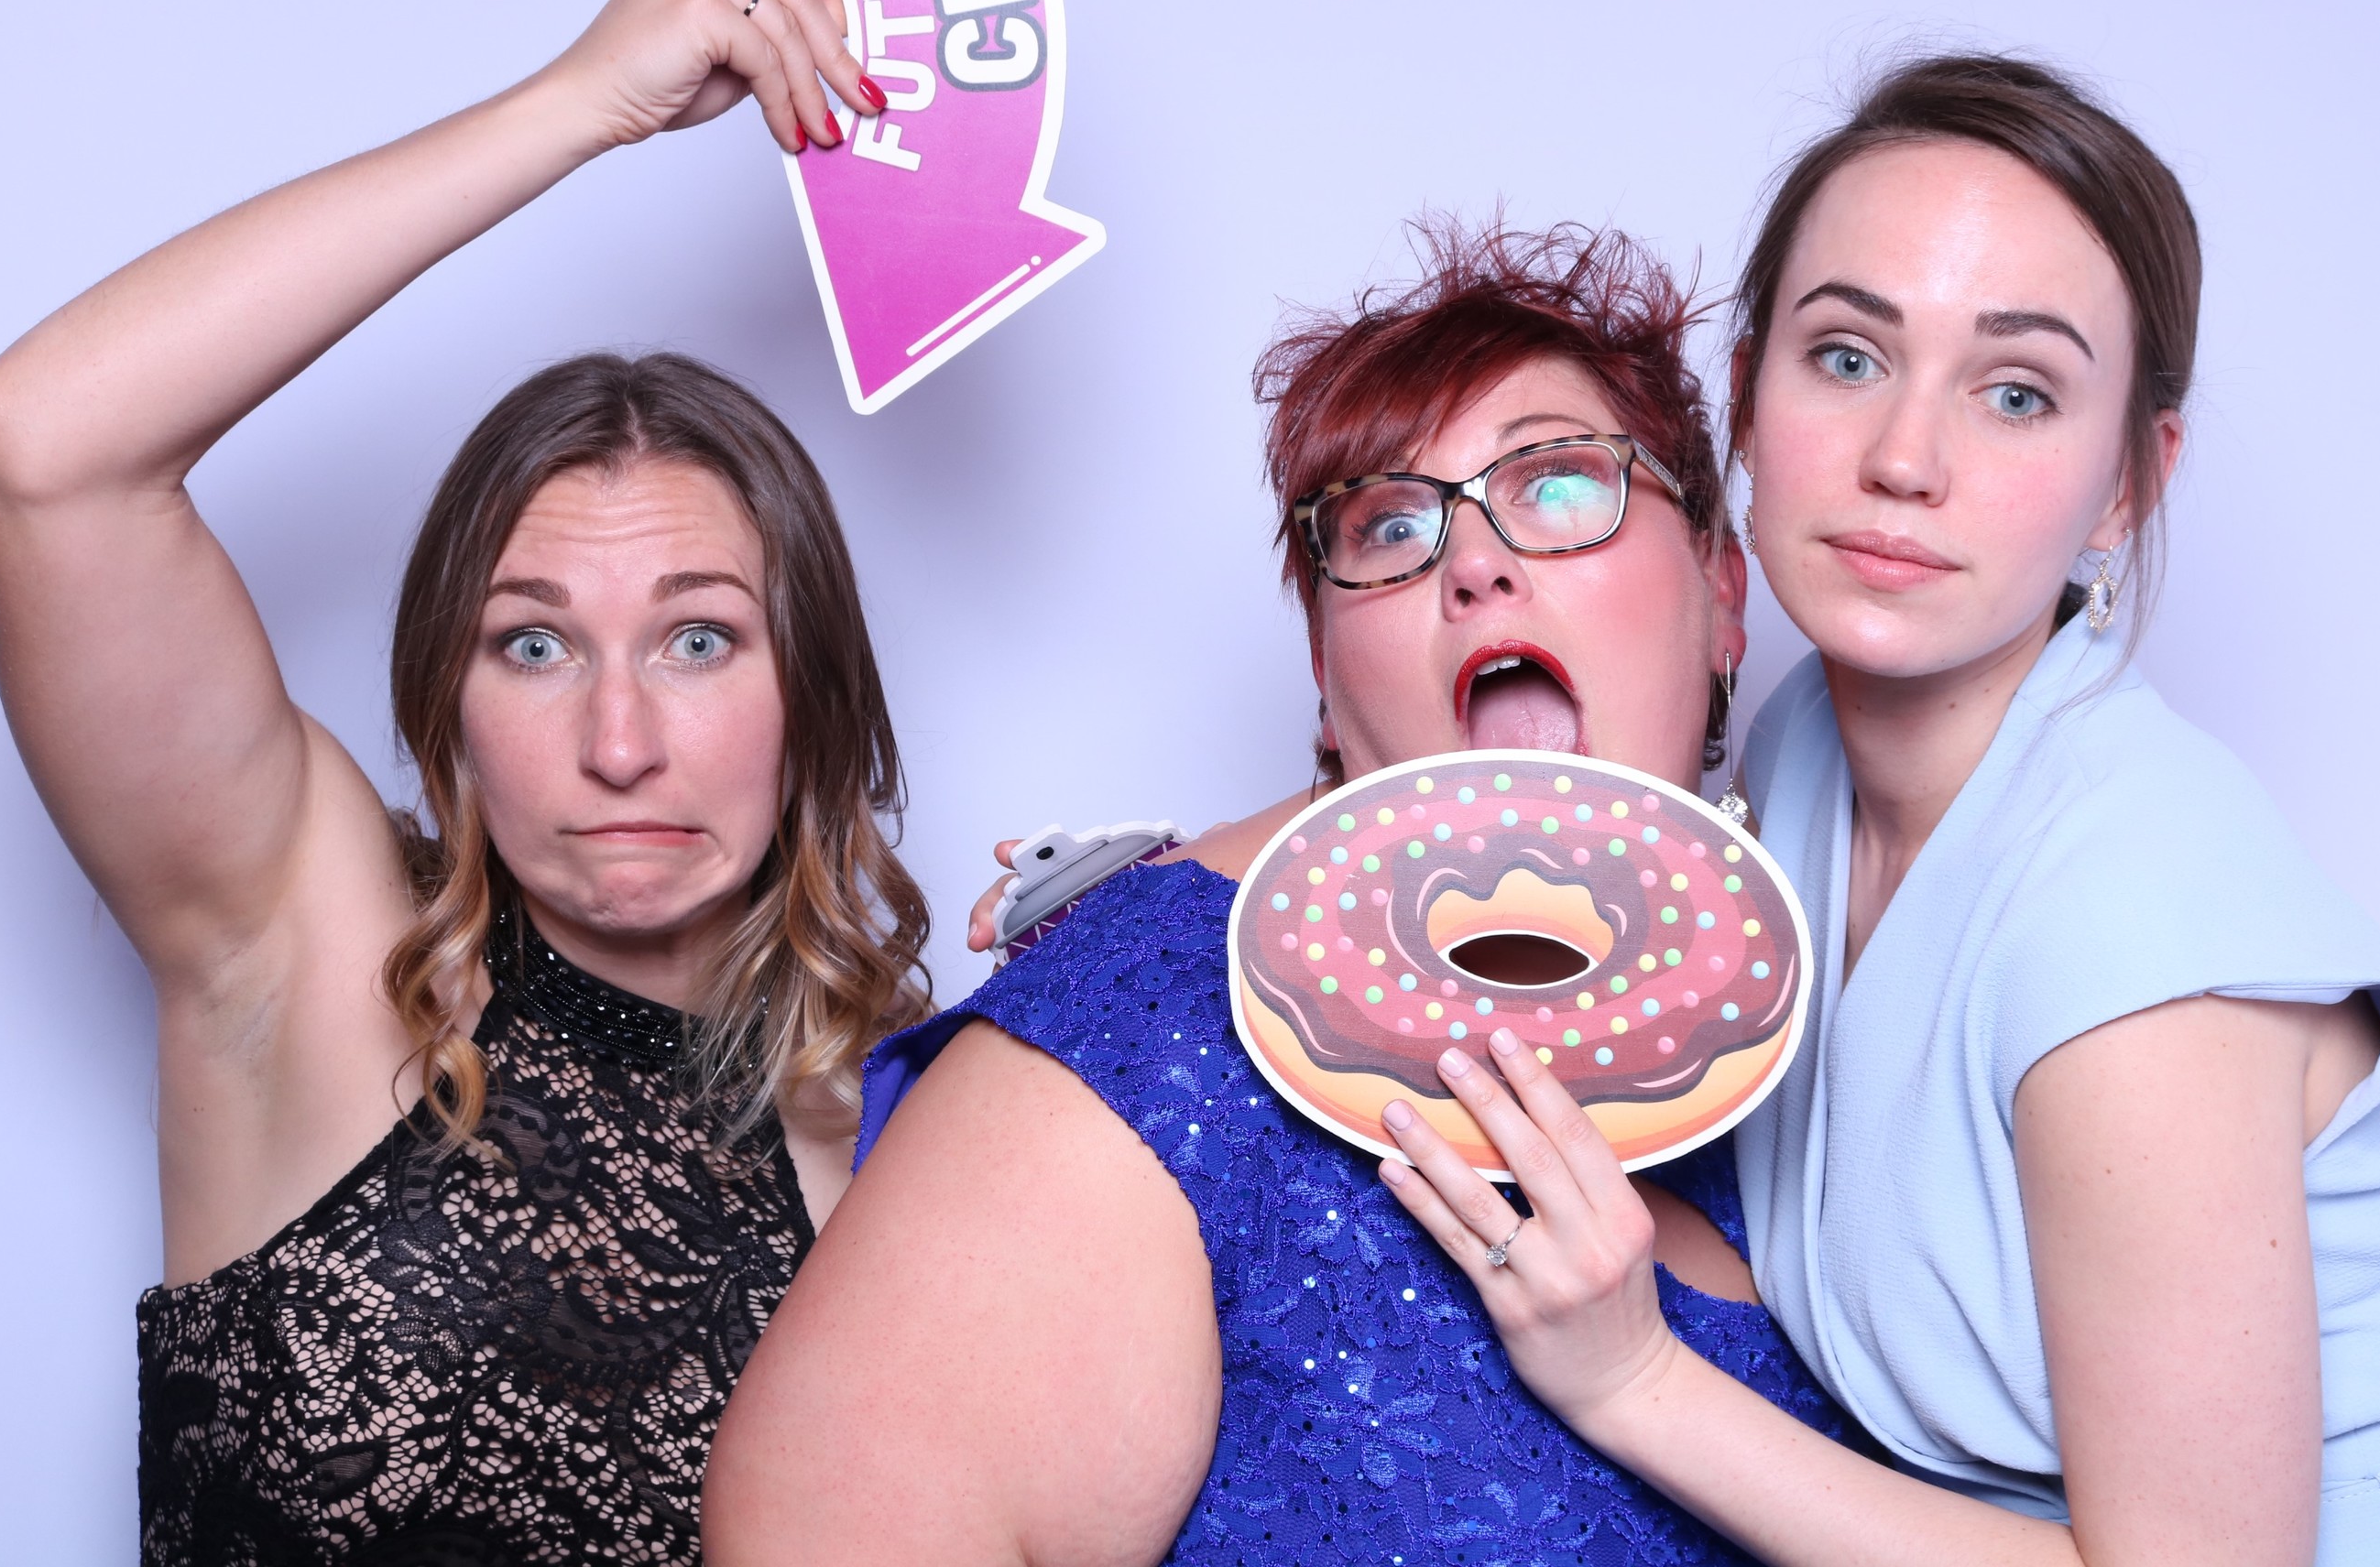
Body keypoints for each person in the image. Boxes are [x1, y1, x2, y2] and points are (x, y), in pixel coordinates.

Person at [1376, 57, 2380, 1563]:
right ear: (1749, 399)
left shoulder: (2123, 926)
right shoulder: (1801, 752)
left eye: (2016, 393)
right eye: (1848, 356)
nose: (1904, 461)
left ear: (2127, 484)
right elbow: (1535, 864)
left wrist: (1636, 1383)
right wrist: (1186, 895)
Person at [0, 0, 933, 1562]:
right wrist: (582, 102)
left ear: (818, 701)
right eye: (534, 644)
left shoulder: (916, 1157)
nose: (620, 740)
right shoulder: (313, 958)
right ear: (448, 714)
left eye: (700, 639)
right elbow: (42, 449)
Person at [704, 224, 1851, 1565]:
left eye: (1556, 483)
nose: (1475, 563)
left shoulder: (1812, 1017)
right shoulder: (1153, 1033)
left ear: (1724, 595)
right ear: (1325, 675)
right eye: (1392, 527)